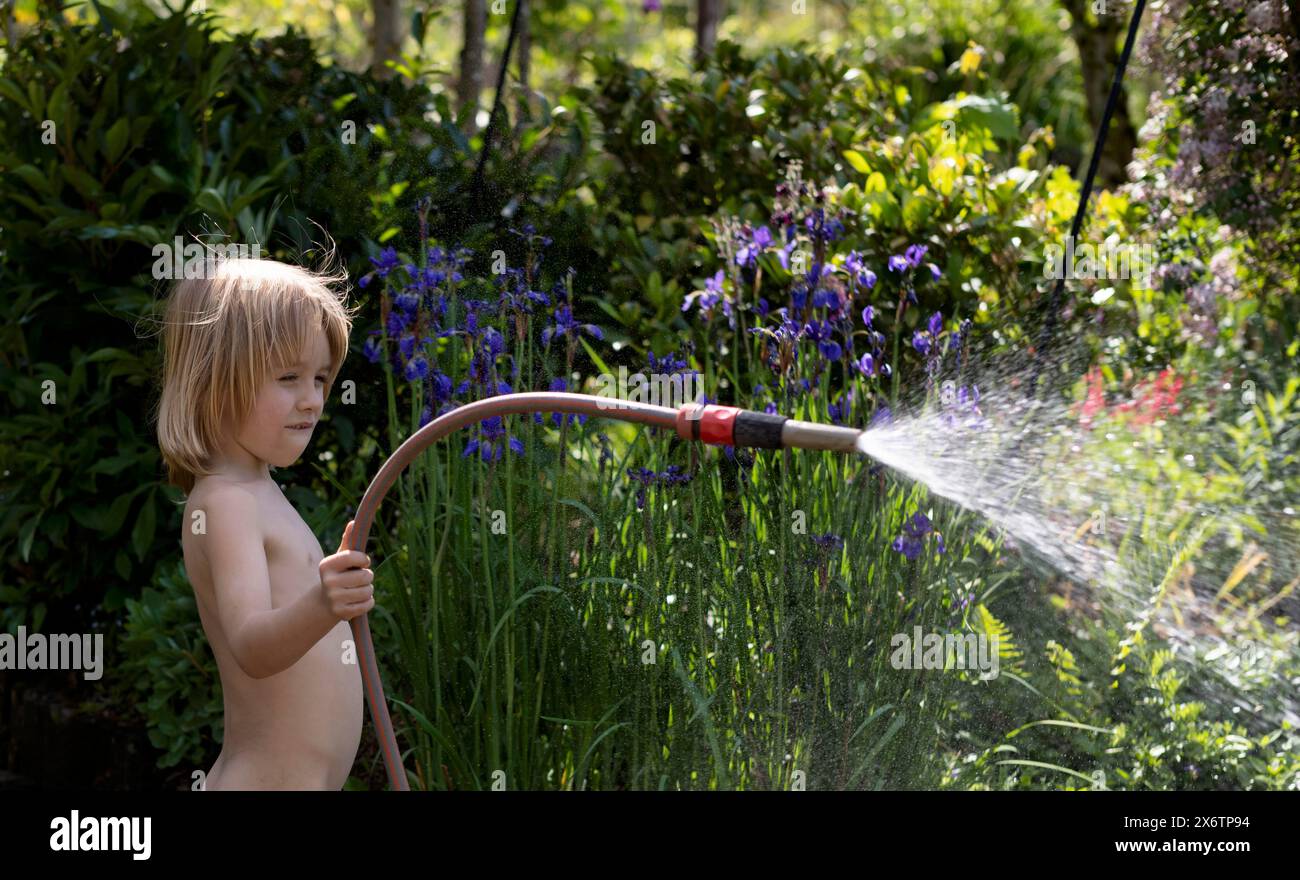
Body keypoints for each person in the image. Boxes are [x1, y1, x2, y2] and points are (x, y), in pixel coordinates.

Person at [153, 254, 373, 790]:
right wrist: (324, 604)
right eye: (288, 377)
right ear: (215, 380)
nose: (313, 400)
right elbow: (251, 645)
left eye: (320, 378)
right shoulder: (226, 503)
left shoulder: (257, 489)